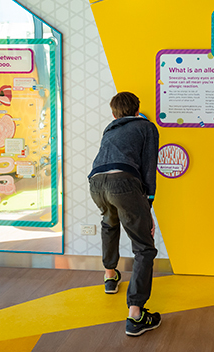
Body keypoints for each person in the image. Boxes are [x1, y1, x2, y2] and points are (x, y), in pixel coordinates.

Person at [91, 92, 162, 336]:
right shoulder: (146, 127)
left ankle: (110, 277)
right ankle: (136, 315)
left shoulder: (110, 129)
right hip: (123, 182)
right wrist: (148, 202)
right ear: (138, 109)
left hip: (97, 182)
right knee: (144, 247)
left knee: (109, 224)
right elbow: (149, 164)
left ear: (113, 113)